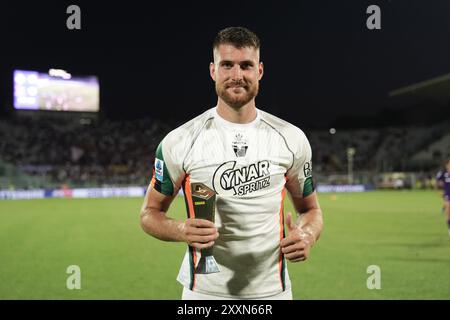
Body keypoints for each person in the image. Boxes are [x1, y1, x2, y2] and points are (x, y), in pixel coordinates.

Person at [140, 26, 323, 300]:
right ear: (213, 70)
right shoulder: (179, 141)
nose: (237, 75)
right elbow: (149, 214)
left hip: (273, 293)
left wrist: (307, 235)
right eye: (227, 65)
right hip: (204, 293)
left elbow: (311, 210)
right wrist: (179, 229)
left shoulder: (291, 138)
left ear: (259, 71)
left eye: (246, 65)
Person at [436, 156, 450, 235]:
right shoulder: (443, 174)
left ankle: (443, 208)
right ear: (447, 165)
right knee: (449, 212)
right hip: (448, 195)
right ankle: (449, 228)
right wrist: (439, 191)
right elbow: (437, 182)